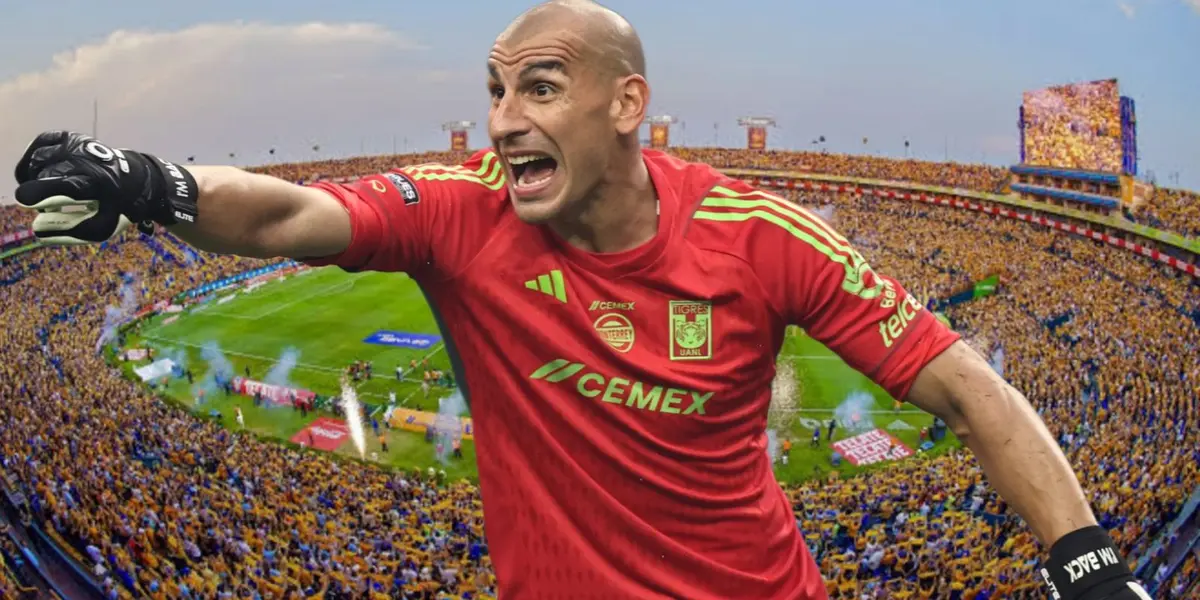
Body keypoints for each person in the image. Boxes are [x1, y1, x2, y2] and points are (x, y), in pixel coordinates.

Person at [9, 1, 1149, 598]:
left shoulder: (758, 237)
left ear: (626, 103)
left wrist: (1090, 571)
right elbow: (285, 216)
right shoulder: (460, 209)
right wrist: (153, 183)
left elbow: (962, 384)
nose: (504, 117)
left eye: (541, 86)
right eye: (497, 88)